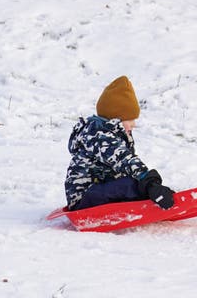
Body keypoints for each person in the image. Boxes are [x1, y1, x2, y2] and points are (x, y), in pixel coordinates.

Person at [63, 75, 176, 212]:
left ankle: (150, 196)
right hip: (83, 199)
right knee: (130, 185)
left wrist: (147, 184)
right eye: (129, 120)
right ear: (116, 119)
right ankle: (151, 196)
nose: (133, 125)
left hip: (99, 191)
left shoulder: (113, 133)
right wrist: (149, 184)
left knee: (132, 183)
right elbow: (124, 160)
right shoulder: (99, 136)